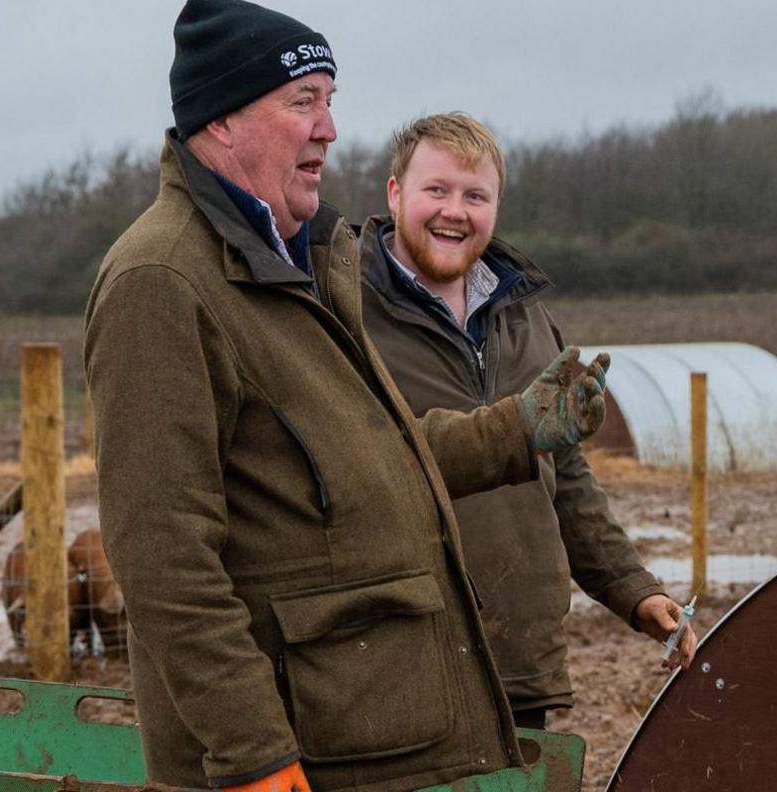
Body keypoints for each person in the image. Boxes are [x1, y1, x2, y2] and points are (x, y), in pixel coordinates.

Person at [84, 2, 609, 790]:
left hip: (362, 740)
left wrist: (518, 429)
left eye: (331, 100)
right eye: (304, 102)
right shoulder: (162, 281)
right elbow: (162, 554)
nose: (330, 128)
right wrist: (253, 752)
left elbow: (376, 456)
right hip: (293, 754)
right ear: (223, 119)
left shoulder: (299, 260)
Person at [357, 112, 697, 729]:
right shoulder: (343, 310)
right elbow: (357, 464)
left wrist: (632, 587)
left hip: (517, 663)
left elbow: (563, 470)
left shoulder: (524, 314)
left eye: (475, 196)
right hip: (395, 662)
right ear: (395, 192)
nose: (454, 211)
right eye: (436, 189)